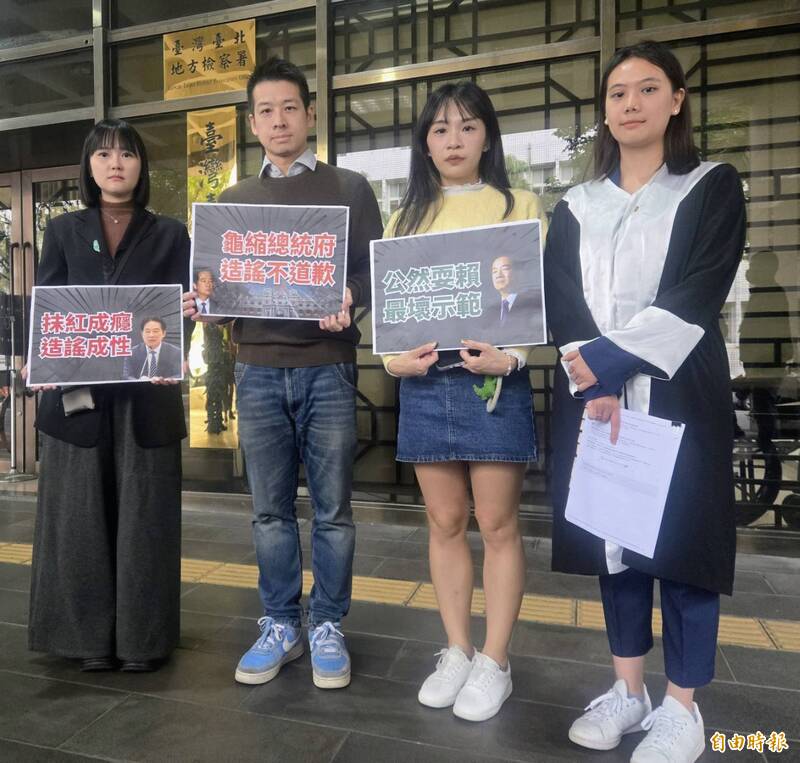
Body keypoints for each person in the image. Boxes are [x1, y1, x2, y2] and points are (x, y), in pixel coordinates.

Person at [543, 41, 746, 762]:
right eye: (617, 93)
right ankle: (627, 689)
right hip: (595, 399)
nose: (631, 103)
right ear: (604, 111)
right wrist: (593, 377)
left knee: (683, 547)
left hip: (680, 390)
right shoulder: (576, 205)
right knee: (615, 544)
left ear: (677, 100)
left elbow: (699, 291)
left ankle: (682, 708)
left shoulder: (710, 187)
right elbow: (562, 297)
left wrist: (602, 362)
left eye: (648, 88)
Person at [183, 57, 382, 690]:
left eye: (290, 108)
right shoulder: (233, 202)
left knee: (333, 510)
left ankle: (327, 624)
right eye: (266, 110)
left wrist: (350, 295)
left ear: (310, 114)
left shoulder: (349, 188)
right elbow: (219, 290)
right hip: (258, 370)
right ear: (251, 122)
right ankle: (280, 622)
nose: (279, 120)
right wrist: (207, 305)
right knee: (268, 510)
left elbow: (373, 271)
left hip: (328, 367)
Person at [379, 81, 546, 722]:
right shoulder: (404, 219)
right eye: (441, 129)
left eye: (468, 126)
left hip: (493, 380)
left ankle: (495, 660)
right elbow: (392, 320)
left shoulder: (519, 204)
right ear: (425, 143)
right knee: (444, 523)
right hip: (425, 382)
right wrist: (393, 362)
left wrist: (515, 359)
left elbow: (535, 301)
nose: (454, 140)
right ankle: (457, 649)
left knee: (498, 525)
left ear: (488, 137)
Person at [27, 119, 190, 673]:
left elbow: (182, 311)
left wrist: (181, 342)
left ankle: (143, 641)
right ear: (89, 166)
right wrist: (40, 357)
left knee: (146, 520)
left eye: (126, 153)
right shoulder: (62, 230)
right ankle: (85, 639)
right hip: (80, 399)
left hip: (148, 396)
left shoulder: (170, 233)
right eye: (103, 154)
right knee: (78, 520)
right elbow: (47, 304)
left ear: (142, 165)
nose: (115, 163)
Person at [490, 255, 541, 333]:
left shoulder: (533, 303)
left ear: (518, 273)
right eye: (494, 271)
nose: (498, 275)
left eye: (505, 269)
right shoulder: (490, 311)